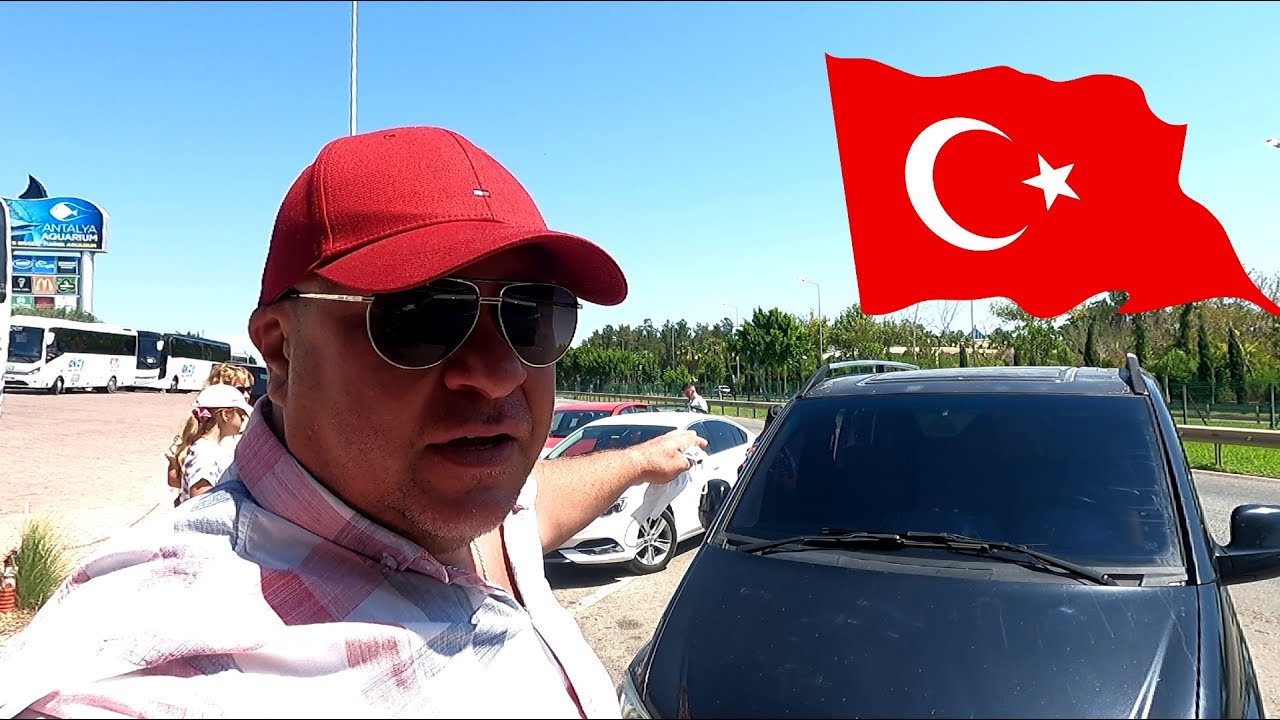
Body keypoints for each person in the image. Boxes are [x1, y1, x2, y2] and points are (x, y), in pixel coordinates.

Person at [0, 126, 705, 719]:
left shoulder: (464, 513)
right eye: (424, 314)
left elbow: (531, 505)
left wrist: (639, 460)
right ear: (282, 351)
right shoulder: (162, 674)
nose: (498, 372)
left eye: (533, 314)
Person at [162, 363, 254, 495]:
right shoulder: (203, 444)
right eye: (240, 390)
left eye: (248, 389)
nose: (246, 395)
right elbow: (178, 481)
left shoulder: (244, 426)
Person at [172, 383, 253, 505]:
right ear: (226, 415)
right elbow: (201, 501)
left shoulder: (211, 448)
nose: (243, 419)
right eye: (241, 415)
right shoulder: (206, 453)